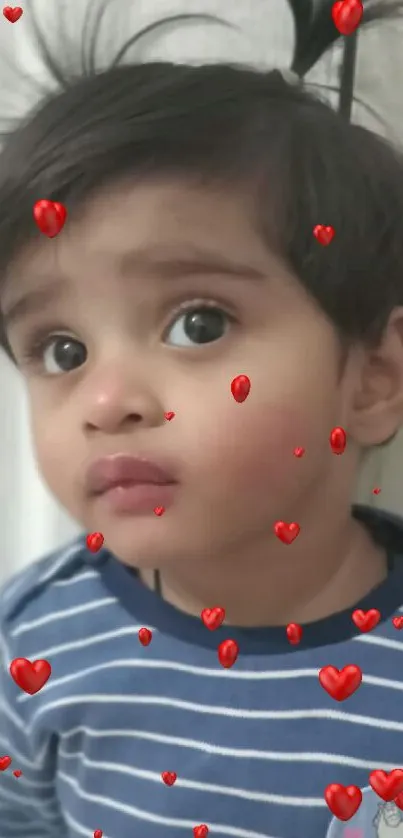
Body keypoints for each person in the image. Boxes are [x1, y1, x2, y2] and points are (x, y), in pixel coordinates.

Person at [1, 1, 403, 836]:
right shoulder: (29, 648)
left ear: (371, 378)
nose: (108, 405)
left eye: (199, 324)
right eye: (61, 351)